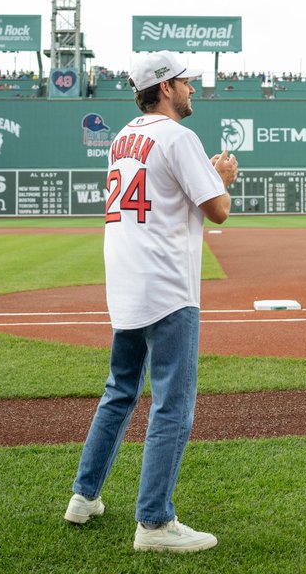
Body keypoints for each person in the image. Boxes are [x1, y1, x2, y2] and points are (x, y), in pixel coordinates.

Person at [64, 50, 239, 554]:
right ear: (164, 87)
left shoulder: (123, 137)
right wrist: (222, 179)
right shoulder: (179, 137)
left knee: (119, 392)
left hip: (125, 281)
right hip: (166, 286)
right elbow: (218, 210)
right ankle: (155, 524)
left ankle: (84, 496)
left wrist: (204, 178)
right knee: (172, 405)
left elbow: (164, 192)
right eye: (184, 82)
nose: (191, 90)